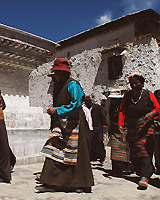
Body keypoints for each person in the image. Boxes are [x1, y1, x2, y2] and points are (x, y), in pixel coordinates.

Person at [37, 58, 94, 193]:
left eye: (55, 73)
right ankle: (51, 181)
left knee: (77, 154)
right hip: (61, 123)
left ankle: (81, 183)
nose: (54, 77)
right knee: (54, 147)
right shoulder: (59, 86)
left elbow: (76, 104)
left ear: (62, 73)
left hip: (75, 123)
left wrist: (57, 110)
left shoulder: (72, 85)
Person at [118, 72, 160, 189]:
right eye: (132, 84)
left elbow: (157, 108)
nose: (134, 85)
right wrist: (121, 124)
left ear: (141, 84)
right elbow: (122, 110)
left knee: (145, 150)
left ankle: (145, 177)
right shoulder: (127, 96)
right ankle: (141, 171)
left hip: (146, 127)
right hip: (132, 127)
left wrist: (152, 114)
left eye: (136, 83)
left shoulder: (149, 94)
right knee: (134, 151)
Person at [108, 97, 132, 176]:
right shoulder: (112, 110)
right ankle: (116, 169)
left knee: (124, 151)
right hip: (115, 132)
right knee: (115, 151)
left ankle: (126, 168)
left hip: (124, 131)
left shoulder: (126, 110)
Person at [84, 96, 107, 164]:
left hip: (98, 128)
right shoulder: (85, 109)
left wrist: (104, 124)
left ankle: (102, 156)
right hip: (90, 128)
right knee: (92, 143)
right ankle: (93, 156)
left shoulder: (97, 108)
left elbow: (102, 115)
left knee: (99, 141)